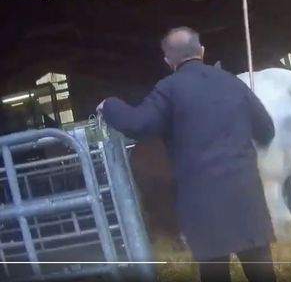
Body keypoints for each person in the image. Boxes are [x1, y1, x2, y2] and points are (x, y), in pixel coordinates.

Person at [97, 26, 278, 282]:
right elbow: (267, 130)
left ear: (168, 61)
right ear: (202, 51)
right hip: (246, 196)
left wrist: (110, 105)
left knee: (214, 272)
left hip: (202, 205)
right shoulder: (232, 83)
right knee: (262, 272)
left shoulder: (169, 89)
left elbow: (138, 125)